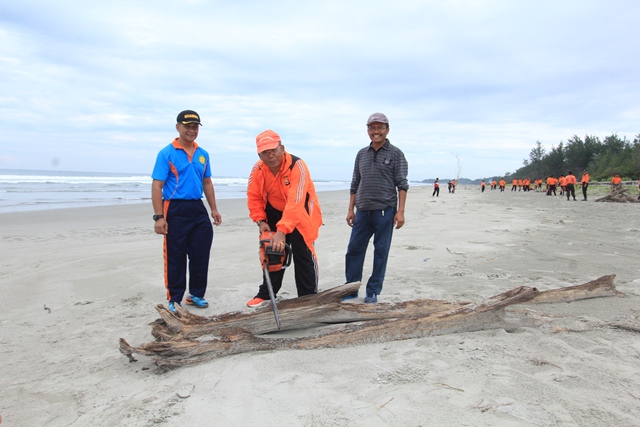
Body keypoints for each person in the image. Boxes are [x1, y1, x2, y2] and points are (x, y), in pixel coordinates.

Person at [151, 110, 222, 313]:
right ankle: (174, 298)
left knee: (200, 253)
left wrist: (214, 209)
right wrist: (159, 217)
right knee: (176, 255)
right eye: (187, 126)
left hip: (197, 207)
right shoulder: (166, 153)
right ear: (178, 127)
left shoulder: (203, 154)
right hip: (174, 207)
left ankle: (196, 294)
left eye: (195, 127)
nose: (192, 130)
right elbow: (157, 186)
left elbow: (207, 182)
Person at [246, 130, 323, 307]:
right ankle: (266, 295)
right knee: (272, 252)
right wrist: (260, 221)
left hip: (301, 212)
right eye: (265, 152)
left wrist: (282, 231)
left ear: (282, 148)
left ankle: (308, 297)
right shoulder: (257, 169)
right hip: (273, 210)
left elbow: (296, 201)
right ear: (259, 154)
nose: (270, 155)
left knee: (303, 253)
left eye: (273, 150)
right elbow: (253, 196)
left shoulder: (298, 166)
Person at [344, 112, 408, 304]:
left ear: (387, 130)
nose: (376, 131)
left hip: (385, 211)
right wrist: (350, 209)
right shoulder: (361, 154)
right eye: (372, 127)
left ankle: (373, 290)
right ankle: (351, 287)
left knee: (380, 251)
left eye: (380, 127)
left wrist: (401, 211)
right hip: (362, 210)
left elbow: (402, 184)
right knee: (354, 249)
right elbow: (355, 182)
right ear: (368, 131)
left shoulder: (396, 154)